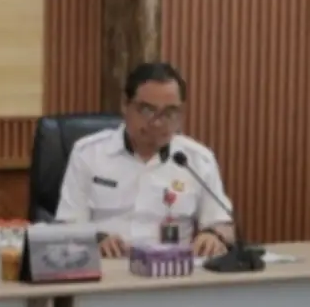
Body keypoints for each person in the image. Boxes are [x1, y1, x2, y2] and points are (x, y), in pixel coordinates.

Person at [55, 62, 234, 258]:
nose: (157, 123)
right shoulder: (88, 153)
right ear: (125, 104)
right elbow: (67, 227)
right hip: (108, 266)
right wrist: (97, 239)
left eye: (169, 113)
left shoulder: (197, 160)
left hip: (172, 270)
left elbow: (223, 224)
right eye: (147, 110)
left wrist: (214, 236)